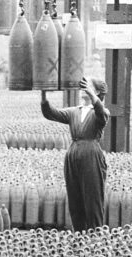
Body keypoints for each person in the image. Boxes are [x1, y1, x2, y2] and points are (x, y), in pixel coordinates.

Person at [41, 76, 110, 232]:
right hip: (73, 153)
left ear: (97, 91)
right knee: (74, 196)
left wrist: (92, 96)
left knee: (92, 197)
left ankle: (95, 233)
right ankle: (79, 233)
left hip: (91, 153)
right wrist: (44, 95)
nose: (83, 88)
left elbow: (101, 113)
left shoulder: (100, 111)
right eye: (83, 86)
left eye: (88, 86)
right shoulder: (75, 111)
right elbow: (52, 113)